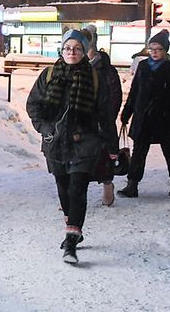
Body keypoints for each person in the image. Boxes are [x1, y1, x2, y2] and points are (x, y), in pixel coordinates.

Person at [25, 30, 119, 265]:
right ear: (61, 49)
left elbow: (105, 114)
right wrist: (45, 128)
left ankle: (71, 238)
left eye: (77, 48)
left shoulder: (94, 78)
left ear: (85, 51)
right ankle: (72, 223)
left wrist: (111, 145)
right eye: (68, 48)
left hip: (85, 141)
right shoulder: (48, 75)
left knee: (78, 188)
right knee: (63, 188)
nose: (72, 52)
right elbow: (33, 105)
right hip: (55, 142)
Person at [119, 30, 170, 198]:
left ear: (166, 50)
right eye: (152, 49)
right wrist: (127, 112)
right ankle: (132, 184)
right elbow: (134, 91)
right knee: (139, 152)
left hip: (165, 117)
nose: (154, 52)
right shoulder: (143, 66)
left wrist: (160, 107)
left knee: (169, 150)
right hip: (144, 117)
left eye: (159, 49)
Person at [80, 27, 124, 207]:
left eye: (85, 48)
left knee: (103, 161)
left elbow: (115, 97)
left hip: (100, 124)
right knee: (77, 163)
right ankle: (74, 195)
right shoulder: (72, 67)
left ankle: (107, 184)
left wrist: (106, 117)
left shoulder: (106, 69)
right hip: (79, 123)